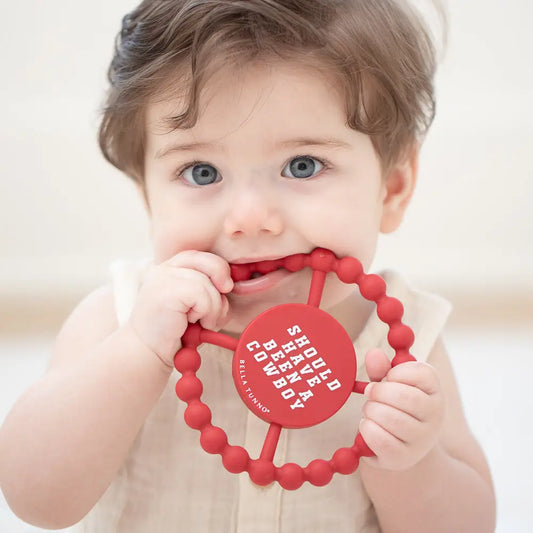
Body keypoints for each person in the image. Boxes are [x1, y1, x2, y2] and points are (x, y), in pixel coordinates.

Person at [0, 1, 496, 531]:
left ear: (391, 190)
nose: (249, 218)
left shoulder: (403, 345)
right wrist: (139, 351)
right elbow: (35, 498)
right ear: (148, 197)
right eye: (201, 171)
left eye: (302, 166)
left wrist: (412, 465)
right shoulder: (119, 318)